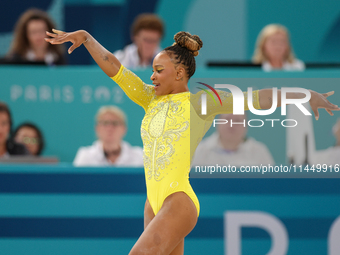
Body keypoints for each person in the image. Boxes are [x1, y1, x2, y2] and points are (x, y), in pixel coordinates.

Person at [45, 28, 339, 255]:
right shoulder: (149, 98)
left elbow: (257, 98)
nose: (152, 76)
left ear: (180, 73)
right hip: (154, 202)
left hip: (178, 200)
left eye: (159, 70)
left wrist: (304, 96)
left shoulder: (202, 103)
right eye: (152, 70)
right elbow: (116, 69)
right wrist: (86, 38)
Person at [193, 114, 274, 166]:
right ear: (218, 122)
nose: (231, 125)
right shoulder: (200, 151)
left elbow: (271, 184)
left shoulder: (259, 151)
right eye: (227, 119)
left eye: (237, 121)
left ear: (246, 125)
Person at [73, 105, 144, 167]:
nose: (109, 128)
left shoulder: (139, 156)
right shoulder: (85, 156)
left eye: (115, 123)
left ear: (124, 129)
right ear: (97, 128)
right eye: (105, 123)